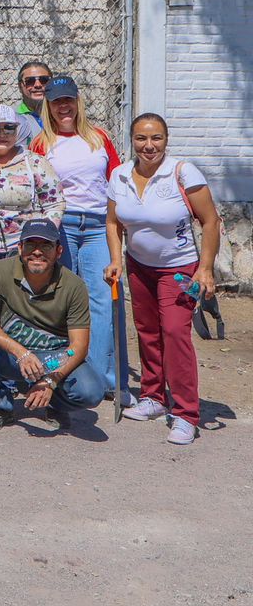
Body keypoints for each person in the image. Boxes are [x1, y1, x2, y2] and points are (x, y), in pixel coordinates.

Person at [105, 114, 222, 445]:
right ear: (132, 140)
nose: (149, 145)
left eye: (156, 138)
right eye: (141, 138)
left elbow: (210, 221)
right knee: (147, 331)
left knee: (174, 333)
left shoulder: (183, 173)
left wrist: (206, 268)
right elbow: (113, 222)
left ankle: (186, 414)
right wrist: (116, 258)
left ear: (166, 140)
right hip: (139, 265)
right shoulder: (121, 175)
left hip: (179, 268)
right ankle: (153, 397)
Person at [0, 218, 102, 432]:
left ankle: (54, 402)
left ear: (58, 251)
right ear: (20, 248)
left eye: (46, 245)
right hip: (13, 356)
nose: (37, 252)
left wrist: (50, 381)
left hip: (53, 359)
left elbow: (79, 346)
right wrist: (21, 352)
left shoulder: (74, 285)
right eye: (31, 244)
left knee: (91, 391)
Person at [32, 76, 122, 397]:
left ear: (78, 101)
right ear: (49, 106)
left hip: (99, 225)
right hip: (62, 226)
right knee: (63, 301)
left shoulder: (99, 138)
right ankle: (65, 374)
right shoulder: (42, 142)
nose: (64, 107)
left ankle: (103, 379)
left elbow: (117, 179)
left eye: (68, 100)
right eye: (57, 102)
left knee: (101, 300)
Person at [0, 103, 64, 259]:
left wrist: (41, 238)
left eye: (9, 128)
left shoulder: (35, 162)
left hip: (27, 248)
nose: (2, 134)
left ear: (17, 130)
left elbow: (55, 203)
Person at [16, 60, 52, 134]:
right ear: (20, 86)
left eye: (44, 80)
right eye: (30, 81)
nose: (37, 85)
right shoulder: (11, 117)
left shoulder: (62, 114)